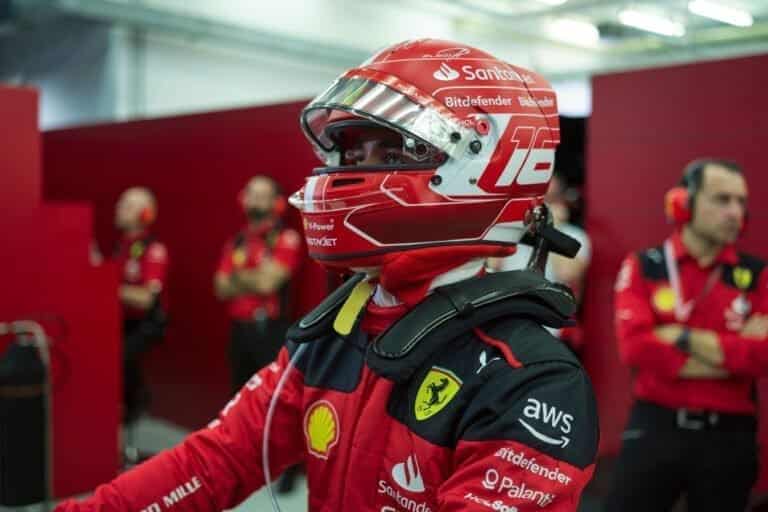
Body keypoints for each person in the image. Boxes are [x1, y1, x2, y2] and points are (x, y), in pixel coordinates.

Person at [56, 39, 598, 511]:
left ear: (478, 163)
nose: (349, 171)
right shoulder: (335, 333)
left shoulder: (531, 383)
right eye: (350, 151)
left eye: (387, 149)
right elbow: (215, 460)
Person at [605, 159, 768, 512]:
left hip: (730, 437)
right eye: (722, 199)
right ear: (684, 203)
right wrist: (733, 355)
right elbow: (636, 348)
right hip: (655, 425)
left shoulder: (757, 275)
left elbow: (763, 357)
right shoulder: (644, 265)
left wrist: (679, 337)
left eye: (741, 202)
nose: (735, 212)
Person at [214, 175, 302, 392]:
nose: (255, 200)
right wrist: (254, 276)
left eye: (262, 195)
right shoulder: (237, 241)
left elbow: (267, 285)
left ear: (277, 203)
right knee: (239, 394)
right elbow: (220, 288)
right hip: (238, 330)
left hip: (269, 330)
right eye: (251, 194)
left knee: (269, 394)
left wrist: (237, 277)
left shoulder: (286, 238)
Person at [488, 171, 591, 352]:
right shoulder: (510, 233)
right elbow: (490, 268)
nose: (543, 207)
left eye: (550, 199)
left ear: (560, 201)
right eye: (538, 199)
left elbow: (567, 274)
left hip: (552, 334)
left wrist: (553, 231)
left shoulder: (575, 236)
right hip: (507, 329)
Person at [113, 187, 169, 431]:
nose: (118, 209)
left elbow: (146, 298)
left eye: (127, 205)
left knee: (121, 358)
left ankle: (133, 412)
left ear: (146, 213)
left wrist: (109, 289)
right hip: (121, 323)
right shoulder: (121, 247)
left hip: (147, 324)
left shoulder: (154, 250)